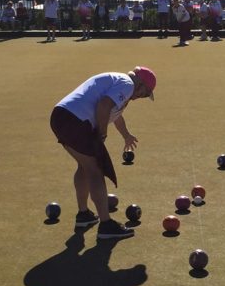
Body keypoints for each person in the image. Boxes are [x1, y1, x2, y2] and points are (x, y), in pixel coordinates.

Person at [50, 66, 156, 240]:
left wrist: (126, 135)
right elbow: (104, 106)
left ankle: (84, 215)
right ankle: (106, 225)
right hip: (75, 120)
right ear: (141, 84)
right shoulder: (127, 84)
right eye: (145, 93)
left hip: (60, 116)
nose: (141, 97)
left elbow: (115, 114)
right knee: (95, 170)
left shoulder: (119, 82)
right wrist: (102, 134)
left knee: (84, 166)